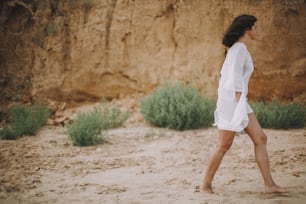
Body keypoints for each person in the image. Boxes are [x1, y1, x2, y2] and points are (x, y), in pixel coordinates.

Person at [202, 14, 289, 194]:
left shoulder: (238, 48)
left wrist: (241, 100)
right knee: (224, 145)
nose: (257, 31)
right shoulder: (240, 48)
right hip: (233, 102)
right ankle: (205, 185)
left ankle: (269, 185)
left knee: (261, 139)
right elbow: (233, 77)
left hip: (238, 101)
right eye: (255, 28)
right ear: (247, 30)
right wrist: (239, 100)